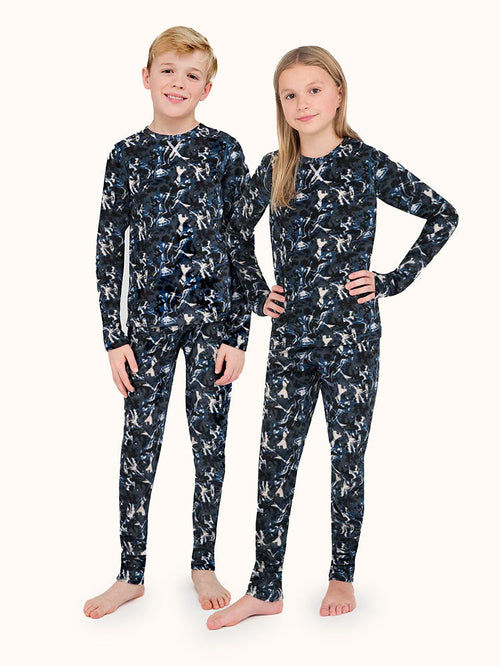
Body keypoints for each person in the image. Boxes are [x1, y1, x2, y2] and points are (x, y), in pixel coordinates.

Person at [206, 45, 459, 629]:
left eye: (314, 90)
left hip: (352, 341)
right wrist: (257, 291)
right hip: (291, 340)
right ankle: (265, 586)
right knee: (275, 460)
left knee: (346, 458)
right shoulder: (275, 167)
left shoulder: (365, 162)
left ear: (338, 93)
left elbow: (442, 214)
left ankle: (341, 574)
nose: (302, 103)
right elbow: (231, 235)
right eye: (289, 94)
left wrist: (391, 279)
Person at [83, 26, 252, 620]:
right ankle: (130, 573)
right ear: (147, 77)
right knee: (139, 445)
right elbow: (109, 250)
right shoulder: (125, 155)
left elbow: (240, 246)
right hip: (147, 327)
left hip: (212, 324)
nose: (178, 83)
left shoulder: (224, 151)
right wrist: (114, 338)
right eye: (169, 71)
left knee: (210, 445)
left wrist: (237, 335)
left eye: (192, 75)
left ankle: (203, 562)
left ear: (207, 88)